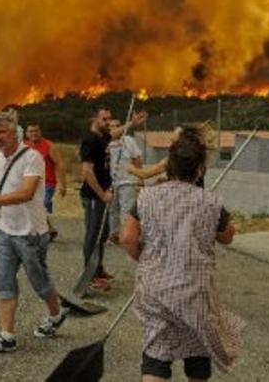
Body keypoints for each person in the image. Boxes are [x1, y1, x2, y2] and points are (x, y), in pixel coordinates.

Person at [120, 127, 242, 382]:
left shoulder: (146, 197)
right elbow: (228, 236)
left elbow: (128, 238)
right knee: (198, 353)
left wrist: (145, 258)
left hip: (155, 289)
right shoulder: (212, 202)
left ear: (169, 166)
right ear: (200, 169)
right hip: (195, 291)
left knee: (156, 351)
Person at [0, 111, 66, 355]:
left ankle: (56, 315)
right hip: (5, 231)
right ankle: (7, 336)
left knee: (40, 283)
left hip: (30, 234)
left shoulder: (32, 157)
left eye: (1, 132)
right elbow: (6, 187)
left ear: (15, 133)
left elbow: (26, 192)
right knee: (4, 283)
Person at [80, 107, 146, 292]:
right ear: (94, 119)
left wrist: (132, 123)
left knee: (102, 235)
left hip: (103, 195)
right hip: (94, 197)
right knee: (93, 237)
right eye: (104, 119)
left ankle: (98, 271)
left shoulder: (102, 137)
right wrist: (102, 194)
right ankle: (90, 277)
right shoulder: (90, 140)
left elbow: (115, 133)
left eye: (110, 119)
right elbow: (86, 171)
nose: (108, 122)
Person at [25, 123, 66, 240]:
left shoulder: (49, 146)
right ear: (27, 134)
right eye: (31, 131)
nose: (34, 134)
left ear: (40, 132)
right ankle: (49, 230)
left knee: (42, 204)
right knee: (33, 206)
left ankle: (43, 231)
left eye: (36, 131)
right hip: (30, 182)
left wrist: (63, 184)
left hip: (47, 183)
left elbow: (59, 164)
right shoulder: (25, 146)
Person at [106, 118, 143, 244]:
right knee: (112, 209)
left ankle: (128, 236)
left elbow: (137, 158)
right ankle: (113, 234)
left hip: (127, 181)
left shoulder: (128, 140)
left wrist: (140, 177)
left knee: (126, 210)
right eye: (112, 126)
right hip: (112, 182)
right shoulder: (106, 142)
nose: (115, 127)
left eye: (118, 125)